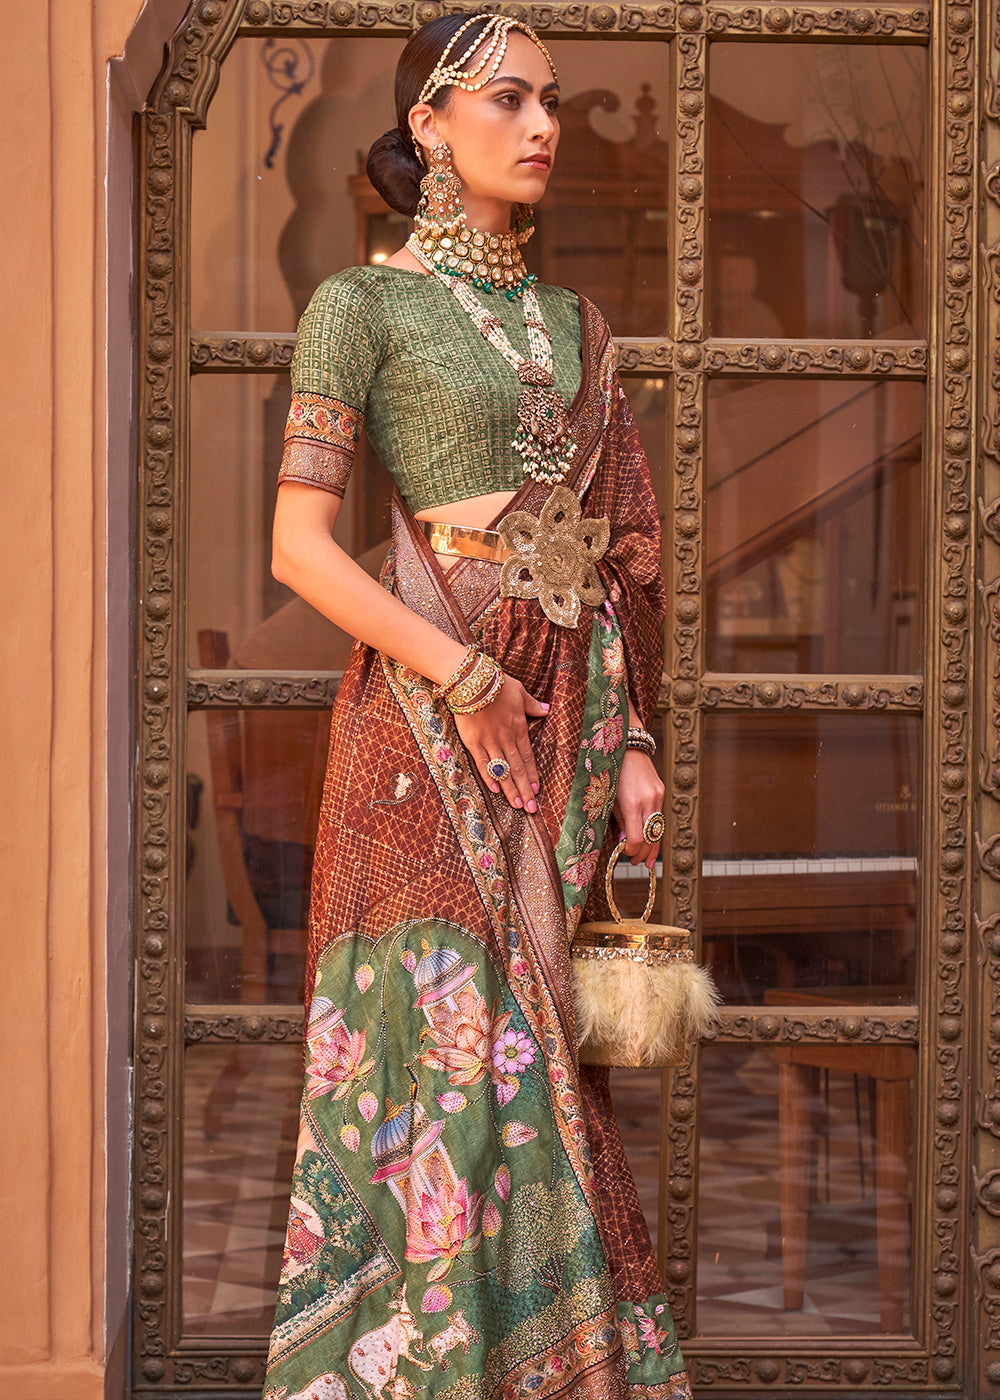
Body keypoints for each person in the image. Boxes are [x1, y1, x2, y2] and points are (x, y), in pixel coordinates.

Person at [262, 14, 692, 1399]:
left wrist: (627, 740)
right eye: (509, 98)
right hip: (423, 724)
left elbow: (621, 550)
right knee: (433, 1045)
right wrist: (464, 676)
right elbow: (300, 547)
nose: (545, 124)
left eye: (551, 99)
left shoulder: (579, 330)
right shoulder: (361, 307)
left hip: (564, 724)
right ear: (432, 125)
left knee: (537, 1060)